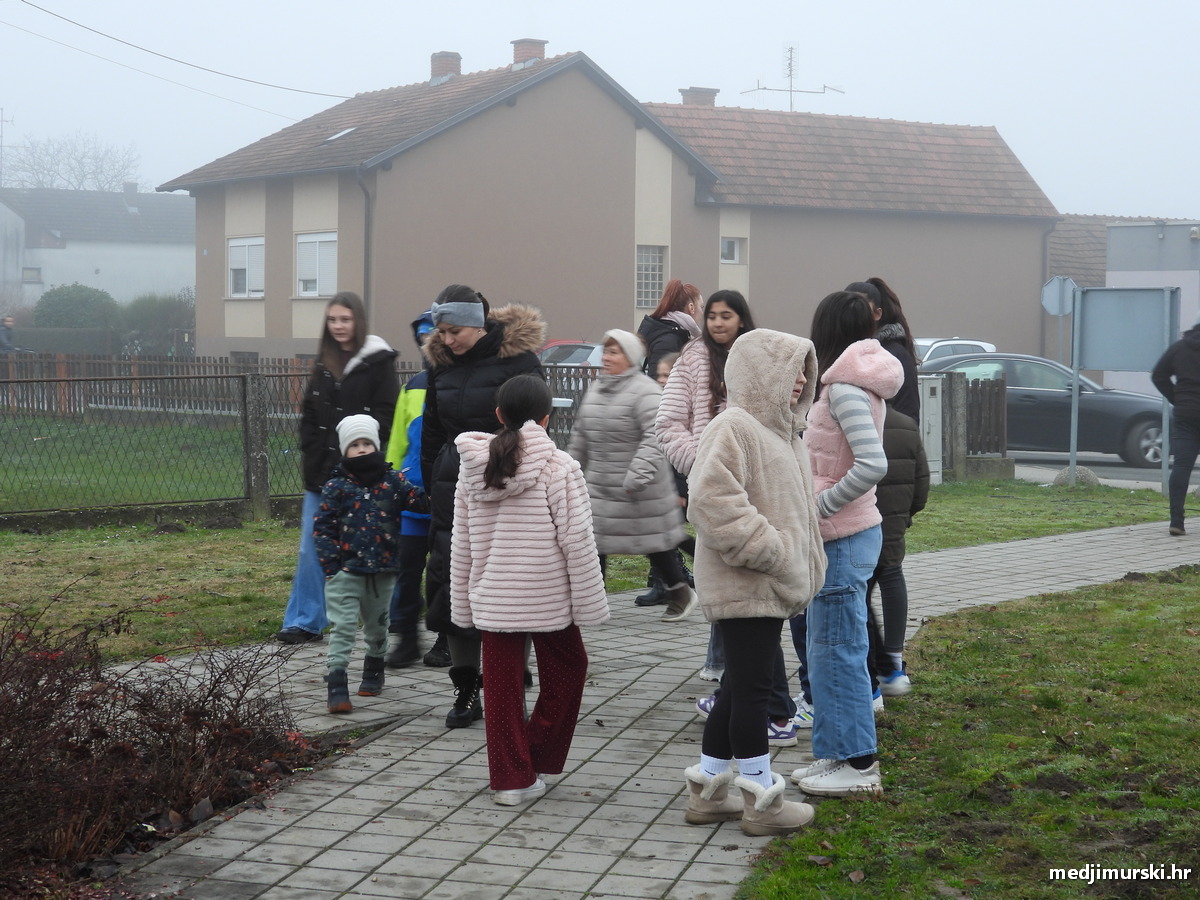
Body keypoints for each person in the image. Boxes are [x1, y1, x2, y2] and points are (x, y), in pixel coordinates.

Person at [682, 328, 824, 836]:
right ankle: (761, 802)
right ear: (761, 374)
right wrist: (771, 550)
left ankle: (709, 790)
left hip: (768, 587)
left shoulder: (786, 435)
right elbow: (709, 499)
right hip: (746, 585)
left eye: (806, 370)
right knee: (755, 693)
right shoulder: (734, 426)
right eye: (792, 369)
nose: (802, 380)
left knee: (737, 687)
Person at [451, 375, 610, 805]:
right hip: (548, 597)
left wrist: (462, 606)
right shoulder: (560, 468)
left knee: (500, 689)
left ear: (498, 415)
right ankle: (532, 754)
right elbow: (577, 541)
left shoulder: (473, 470)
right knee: (570, 668)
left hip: (494, 598)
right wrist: (590, 605)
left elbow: (461, 544)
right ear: (546, 417)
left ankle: (510, 778)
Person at [791, 290, 903, 798]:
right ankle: (835, 753)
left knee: (839, 650)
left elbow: (873, 464)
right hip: (836, 537)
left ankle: (859, 764)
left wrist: (820, 506)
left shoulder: (845, 391)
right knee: (826, 649)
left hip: (843, 535)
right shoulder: (841, 385)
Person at [421, 285, 546, 728]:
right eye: (441, 331)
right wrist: (431, 479)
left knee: (512, 582)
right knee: (453, 581)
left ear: (477, 323)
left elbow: (536, 424)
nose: (447, 340)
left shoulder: (520, 360)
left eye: (454, 331)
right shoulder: (439, 364)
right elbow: (433, 429)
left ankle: (512, 672)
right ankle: (467, 687)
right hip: (453, 481)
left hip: (509, 478)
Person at [278, 292, 399, 645]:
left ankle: (382, 620)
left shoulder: (378, 362)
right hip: (320, 475)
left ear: (357, 321)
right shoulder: (324, 362)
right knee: (310, 548)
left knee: (369, 547)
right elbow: (310, 414)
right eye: (333, 320)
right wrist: (311, 449)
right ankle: (304, 621)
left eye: (345, 319)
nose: (339, 326)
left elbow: (386, 417)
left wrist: (365, 459)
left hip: (362, 477)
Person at [567, 330, 692, 612]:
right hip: (601, 485)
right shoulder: (597, 390)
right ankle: (591, 601)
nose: (607, 357)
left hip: (639, 487)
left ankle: (679, 592)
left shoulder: (645, 391)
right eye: (606, 351)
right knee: (595, 541)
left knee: (654, 543)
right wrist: (570, 470)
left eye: (615, 352)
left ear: (631, 357)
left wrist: (638, 472)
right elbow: (581, 435)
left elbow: (655, 436)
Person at [313, 415, 430, 713]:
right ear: (345, 450)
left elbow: (417, 501)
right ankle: (337, 685)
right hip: (345, 573)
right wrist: (332, 567)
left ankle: (373, 669)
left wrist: (431, 486)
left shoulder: (392, 481)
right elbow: (323, 528)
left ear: (376, 445)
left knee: (378, 628)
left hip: (383, 571)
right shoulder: (336, 486)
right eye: (355, 445)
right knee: (341, 628)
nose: (362, 449)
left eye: (367, 443)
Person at [383, 309, 438, 669]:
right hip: (411, 496)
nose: (427, 342)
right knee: (406, 570)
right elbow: (398, 442)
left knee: (446, 571)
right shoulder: (414, 386)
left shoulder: (463, 383)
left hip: (448, 496)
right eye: (421, 336)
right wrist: (390, 481)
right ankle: (405, 638)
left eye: (433, 334)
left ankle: (448, 638)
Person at [868, 406, 930, 696]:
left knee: (859, 596)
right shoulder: (906, 424)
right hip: (893, 522)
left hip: (857, 522)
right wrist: (905, 516)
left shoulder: (847, 418)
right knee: (892, 579)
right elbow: (922, 482)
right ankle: (893, 657)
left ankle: (872, 671)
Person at [1151, 312, 1200, 536]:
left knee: (1181, 466)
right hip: (1187, 410)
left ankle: (1176, 522)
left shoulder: (1180, 347)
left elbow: (1158, 375)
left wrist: (1176, 397)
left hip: (1186, 415)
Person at [845, 278, 920, 421]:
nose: (852, 312)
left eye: (861, 306)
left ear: (877, 313)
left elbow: (907, 414)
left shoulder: (895, 355)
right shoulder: (841, 351)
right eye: (846, 306)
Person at [638, 278, 702, 380]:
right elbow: (659, 384)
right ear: (692, 308)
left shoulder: (673, 333)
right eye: (701, 307)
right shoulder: (669, 341)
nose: (702, 313)